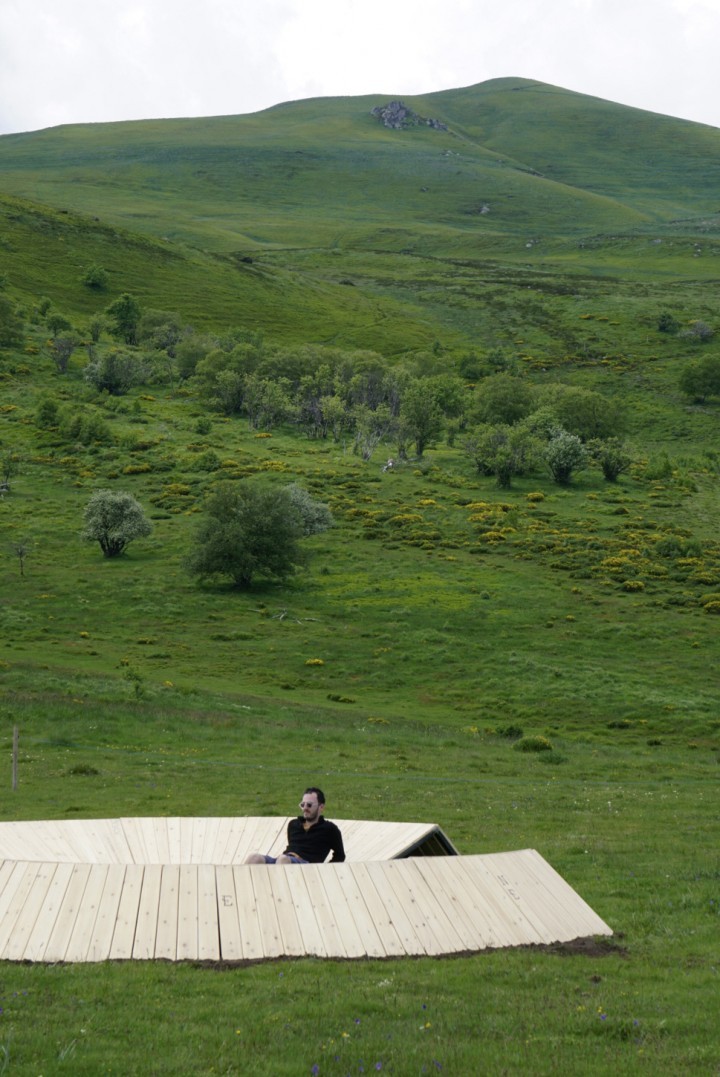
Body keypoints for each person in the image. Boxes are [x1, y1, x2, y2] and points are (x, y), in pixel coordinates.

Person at [245, 787, 345, 865]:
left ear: (321, 807)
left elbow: (340, 856)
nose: (305, 808)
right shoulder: (293, 824)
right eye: (302, 805)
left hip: (306, 865)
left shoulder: (329, 829)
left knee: (283, 860)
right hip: (285, 859)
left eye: (309, 805)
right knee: (254, 858)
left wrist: (323, 870)